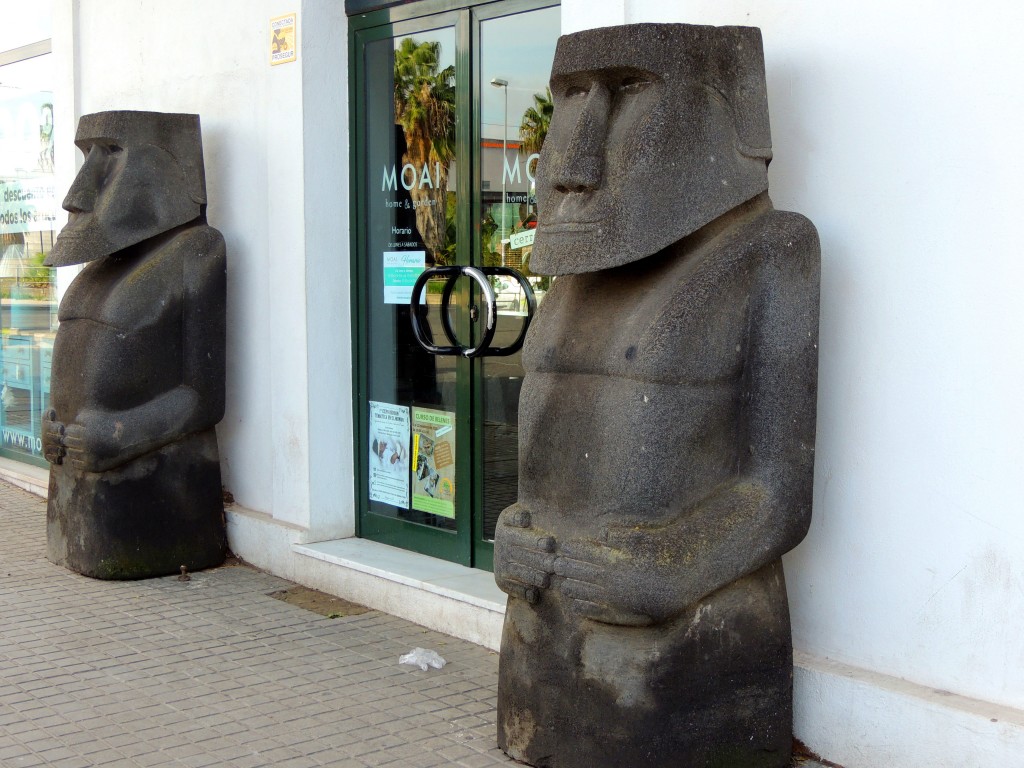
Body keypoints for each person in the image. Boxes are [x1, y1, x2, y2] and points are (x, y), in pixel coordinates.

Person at [493, 24, 820, 768]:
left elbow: (781, 490)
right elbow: (548, 443)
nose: (572, 162)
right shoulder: (578, 274)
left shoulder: (773, 251)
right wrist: (513, 527)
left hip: (675, 643)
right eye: (571, 96)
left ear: (730, 107)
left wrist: (676, 564)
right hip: (543, 631)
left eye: (629, 90)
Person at [42, 111, 227, 580]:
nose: (78, 193)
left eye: (112, 153)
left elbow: (203, 397)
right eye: (88, 156)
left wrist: (123, 433)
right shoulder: (100, 266)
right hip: (80, 488)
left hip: (148, 490)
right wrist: (54, 420)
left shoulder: (197, 251)